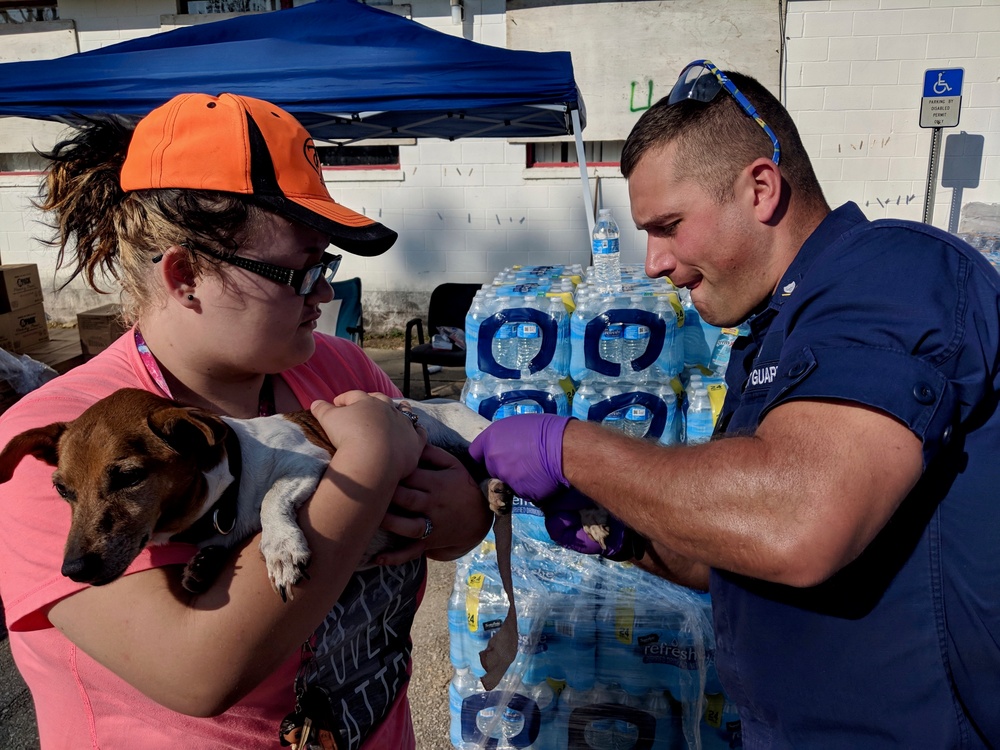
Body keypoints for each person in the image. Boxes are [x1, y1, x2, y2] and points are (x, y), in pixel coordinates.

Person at [471, 60, 1000, 748]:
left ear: (760, 188)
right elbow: (742, 544)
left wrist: (569, 447)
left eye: (669, 225)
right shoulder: (773, 332)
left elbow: (797, 521)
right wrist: (624, 530)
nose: (654, 261)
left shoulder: (893, 275)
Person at [0, 92, 492, 749]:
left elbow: (453, 520)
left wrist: (460, 515)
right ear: (186, 276)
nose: (324, 292)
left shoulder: (340, 372)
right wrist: (366, 467)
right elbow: (197, 673)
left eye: (330, 264)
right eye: (301, 270)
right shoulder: (69, 445)